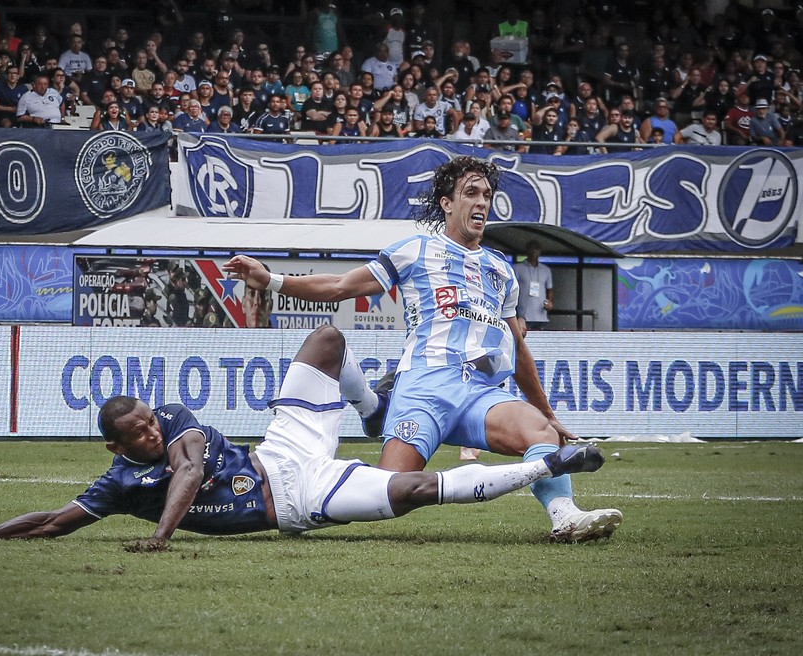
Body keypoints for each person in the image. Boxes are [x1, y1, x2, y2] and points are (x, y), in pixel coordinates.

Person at [0, 326, 609, 549]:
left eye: (151, 418)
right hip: (298, 497)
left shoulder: (179, 424)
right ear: (117, 448)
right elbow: (54, 520)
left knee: (327, 339)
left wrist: (159, 538)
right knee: (419, 490)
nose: (155, 430)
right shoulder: (120, 484)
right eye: (140, 432)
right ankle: (550, 463)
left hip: (280, 447)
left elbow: (186, 472)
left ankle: (369, 408)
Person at [223, 157, 623, 542]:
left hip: (481, 394)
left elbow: (517, 345)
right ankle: (338, 450)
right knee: (387, 493)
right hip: (424, 388)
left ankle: (566, 517)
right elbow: (341, 287)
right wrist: (272, 280)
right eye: (471, 193)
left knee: (538, 430)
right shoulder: (415, 250)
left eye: (486, 194)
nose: (481, 201)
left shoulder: (502, 270)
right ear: (448, 204)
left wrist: (549, 413)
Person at [513, 240, 553, 336]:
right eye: (531, 248)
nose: (534, 251)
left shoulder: (546, 270)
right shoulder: (517, 268)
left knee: (541, 344)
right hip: (523, 316)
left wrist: (550, 302)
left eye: (537, 249)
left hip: (541, 316)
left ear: (540, 251)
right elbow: (512, 289)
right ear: (526, 250)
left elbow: (550, 289)